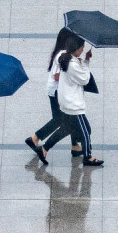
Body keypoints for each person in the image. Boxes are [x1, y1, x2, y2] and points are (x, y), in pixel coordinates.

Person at [25, 28, 83, 164]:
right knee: (65, 120)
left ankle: (75, 146)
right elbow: (57, 76)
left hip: (56, 91)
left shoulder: (63, 53)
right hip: (58, 92)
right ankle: (36, 139)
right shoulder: (62, 54)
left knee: (65, 119)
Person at [44, 36, 103, 166]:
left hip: (66, 101)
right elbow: (84, 79)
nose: (83, 49)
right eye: (82, 47)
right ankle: (88, 157)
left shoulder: (65, 57)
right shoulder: (72, 64)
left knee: (66, 129)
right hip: (74, 104)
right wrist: (86, 63)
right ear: (76, 49)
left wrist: (84, 59)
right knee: (85, 131)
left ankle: (44, 148)